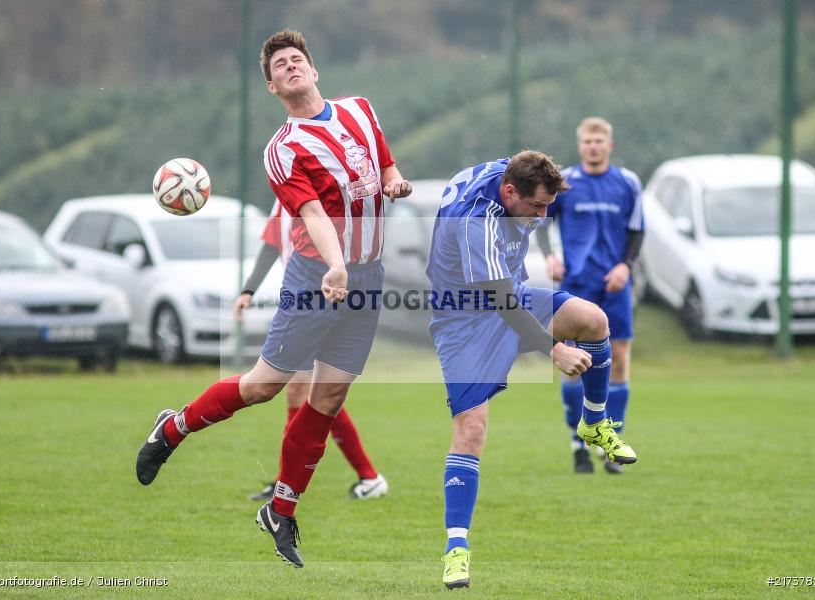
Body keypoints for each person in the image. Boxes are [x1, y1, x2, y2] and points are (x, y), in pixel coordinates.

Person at [135, 30, 411, 568]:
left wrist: (395, 180)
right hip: (315, 277)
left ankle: (281, 511)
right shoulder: (283, 149)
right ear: (271, 86)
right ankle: (174, 426)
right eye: (279, 65)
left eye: (296, 59)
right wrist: (334, 265)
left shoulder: (360, 110)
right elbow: (311, 214)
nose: (290, 66)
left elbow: (385, 161)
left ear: (314, 70)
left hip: (369, 277)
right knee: (264, 386)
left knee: (328, 399)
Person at [426, 151, 637, 589]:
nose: (543, 216)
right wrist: (553, 349)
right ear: (509, 192)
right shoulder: (477, 220)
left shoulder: (516, 174)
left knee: (595, 320)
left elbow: (533, 170)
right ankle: (456, 550)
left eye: (549, 206)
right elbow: (499, 297)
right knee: (472, 428)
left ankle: (594, 424)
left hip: (511, 295)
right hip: (463, 321)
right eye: (537, 206)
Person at [234, 200, 387, 502]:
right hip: (303, 299)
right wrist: (248, 290)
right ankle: (366, 477)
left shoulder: (320, 192)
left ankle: (361, 476)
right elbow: (271, 243)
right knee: (313, 394)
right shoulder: (284, 196)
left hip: (324, 299)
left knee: (306, 392)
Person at [535, 117, 644, 475]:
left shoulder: (627, 183)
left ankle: (613, 442)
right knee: (574, 364)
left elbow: (636, 231)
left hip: (614, 284)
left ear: (609, 145)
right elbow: (541, 222)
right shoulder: (566, 183)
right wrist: (550, 256)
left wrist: (625, 266)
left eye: (599, 140)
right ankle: (577, 443)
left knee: (620, 359)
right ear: (580, 145)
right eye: (587, 141)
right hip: (576, 286)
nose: (593, 146)